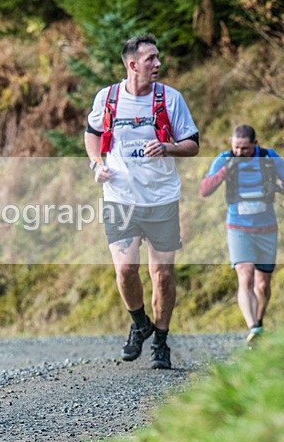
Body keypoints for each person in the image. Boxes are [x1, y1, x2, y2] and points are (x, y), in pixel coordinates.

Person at [85, 34, 199, 369]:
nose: (158, 64)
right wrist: (97, 163)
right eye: (151, 58)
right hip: (119, 197)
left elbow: (192, 144)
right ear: (133, 64)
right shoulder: (107, 97)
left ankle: (161, 342)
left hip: (161, 198)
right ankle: (140, 323)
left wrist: (167, 147)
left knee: (162, 274)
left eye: (158, 58)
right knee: (124, 270)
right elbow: (92, 133)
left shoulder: (170, 98)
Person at [200, 124, 284, 344]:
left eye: (244, 148)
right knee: (245, 275)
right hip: (237, 227)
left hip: (267, 228)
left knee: (262, 284)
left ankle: (259, 322)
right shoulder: (224, 159)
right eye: (236, 147)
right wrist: (225, 172)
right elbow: (204, 190)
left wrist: (278, 188)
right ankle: (252, 326)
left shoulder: (268, 156)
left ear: (256, 144)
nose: (239, 153)